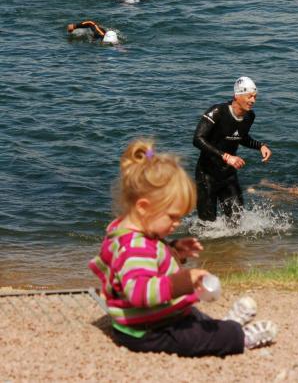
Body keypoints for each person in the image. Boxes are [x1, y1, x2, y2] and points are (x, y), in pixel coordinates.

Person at [87, 139, 277, 357]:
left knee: (194, 317)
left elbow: (149, 260)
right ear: (143, 207)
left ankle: (226, 325)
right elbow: (139, 292)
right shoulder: (135, 246)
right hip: (148, 331)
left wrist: (174, 251)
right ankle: (239, 337)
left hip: (148, 320)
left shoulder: (125, 232)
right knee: (199, 336)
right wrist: (185, 281)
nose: (176, 224)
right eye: (172, 217)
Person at [193, 77, 272, 223]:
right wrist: (226, 156)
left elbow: (240, 137)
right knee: (206, 225)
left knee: (237, 221)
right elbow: (198, 139)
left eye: (255, 97)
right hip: (206, 175)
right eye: (249, 96)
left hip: (228, 175)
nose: (253, 101)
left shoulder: (249, 116)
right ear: (237, 96)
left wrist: (260, 145)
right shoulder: (217, 111)